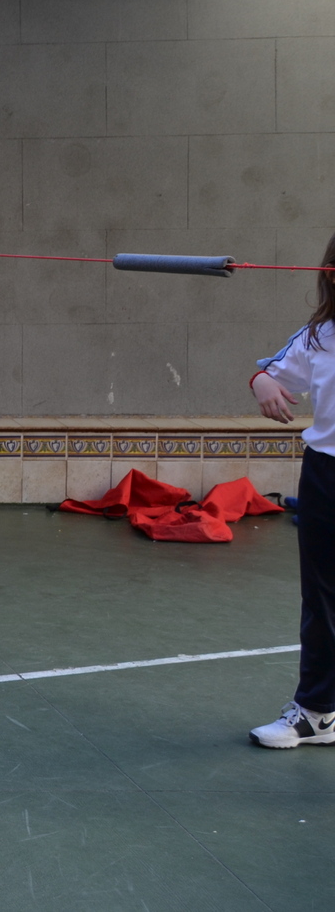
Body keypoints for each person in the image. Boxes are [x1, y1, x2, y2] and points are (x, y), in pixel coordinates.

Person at [249, 230, 335, 748]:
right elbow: (268, 372)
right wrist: (261, 382)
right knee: (322, 597)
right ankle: (319, 713)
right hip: (327, 473)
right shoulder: (319, 336)